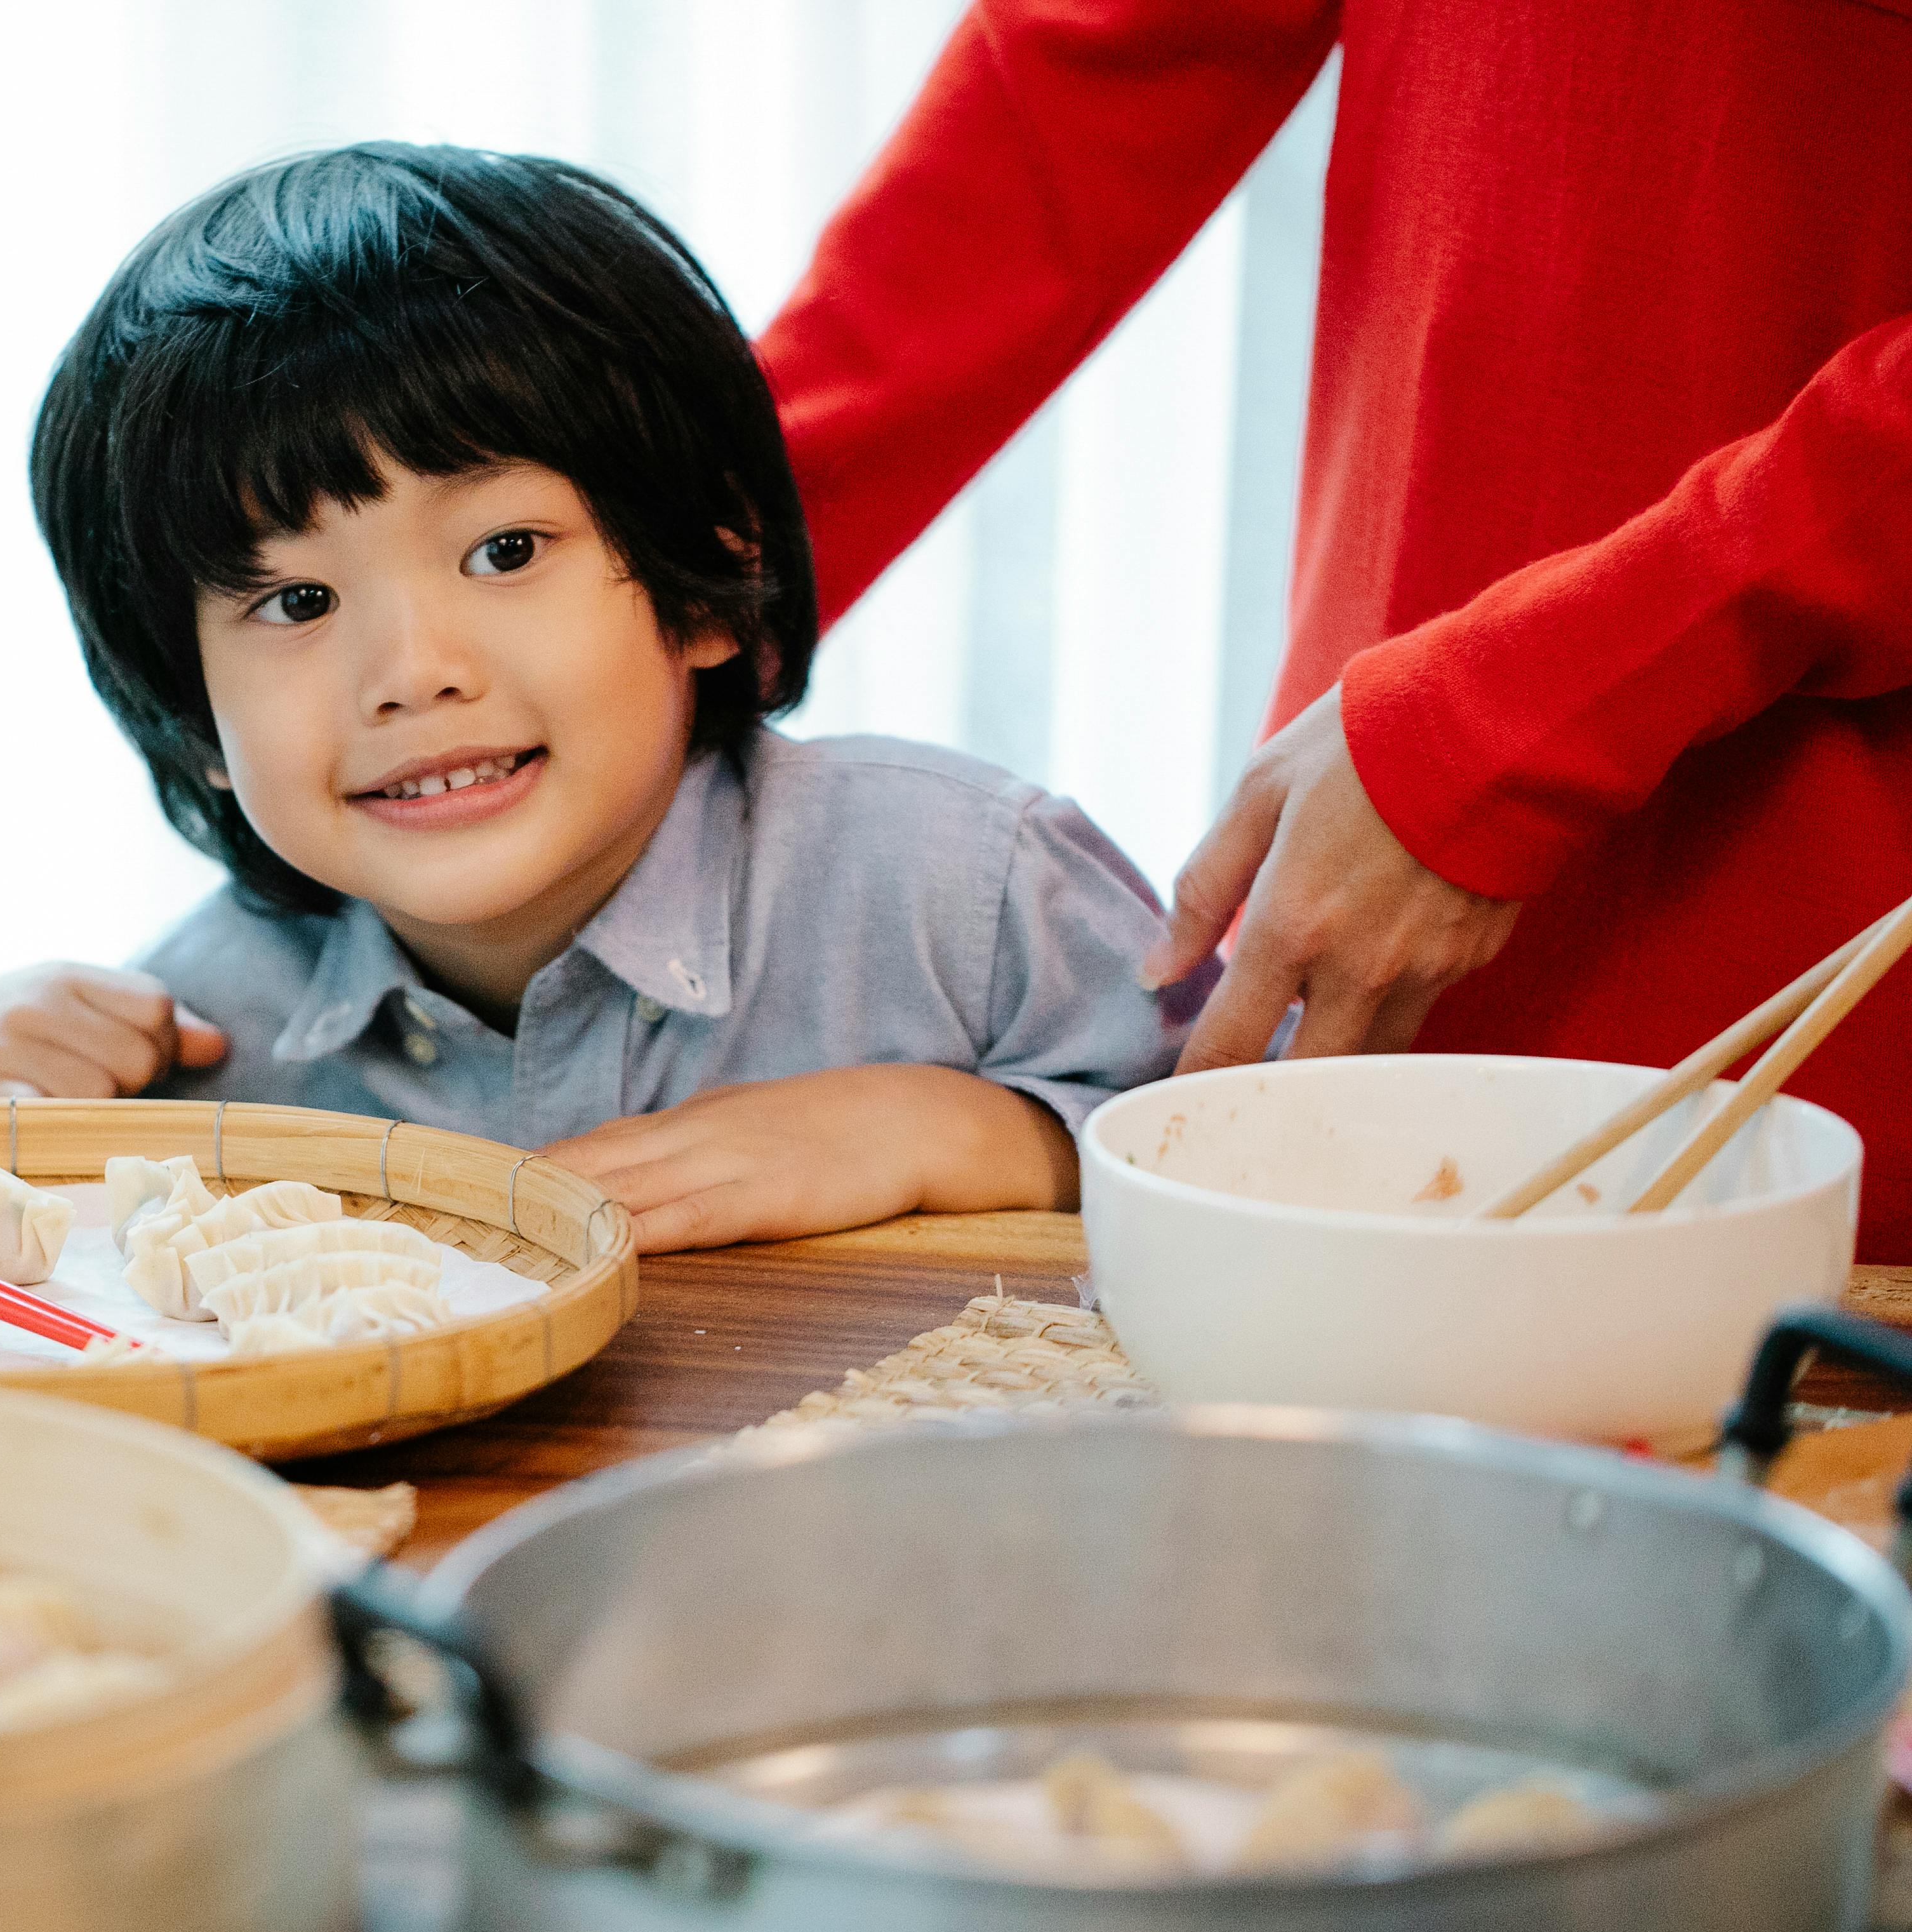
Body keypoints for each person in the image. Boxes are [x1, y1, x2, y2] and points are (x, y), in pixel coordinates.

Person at [0, 142, 1205, 1248]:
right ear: (188, 714)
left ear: (709, 576)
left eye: (506, 552)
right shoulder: (196, 1041)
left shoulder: (969, 896)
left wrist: (985, 1131)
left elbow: (1297, 1171)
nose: (414, 675)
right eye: (297, 603)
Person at [756, 0, 1912, 1255]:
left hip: (1814, 997)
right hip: (1365, 874)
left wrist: (1518, 718)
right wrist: (681, 560)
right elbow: (1095, 69)